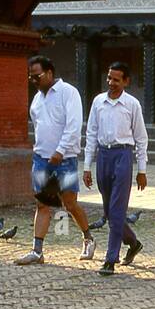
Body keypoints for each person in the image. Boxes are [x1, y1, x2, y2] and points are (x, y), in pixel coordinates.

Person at [16, 55, 96, 266]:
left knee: (70, 203)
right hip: (41, 159)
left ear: (50, 73)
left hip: (65, 160)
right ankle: (37, 250)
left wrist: (60, 151)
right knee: (42, 204)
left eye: (37, 76)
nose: (33, 80)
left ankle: (88, 238)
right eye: (30, 77)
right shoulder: (37, 99)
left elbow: (73, 125)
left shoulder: (68, 93)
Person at [83, 61, 148, 278]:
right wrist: (87, 166)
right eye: (109, 78)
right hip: (103, 155)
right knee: (109, 212)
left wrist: (142, 169)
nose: (111, 83)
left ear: (126, 81)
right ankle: (133, 242)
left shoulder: (132, 104)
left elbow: (141, 138)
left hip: (123, 155)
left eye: (116, 79)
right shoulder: (98, 102)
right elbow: (91, 133)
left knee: (118, 209)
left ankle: (111, 258)